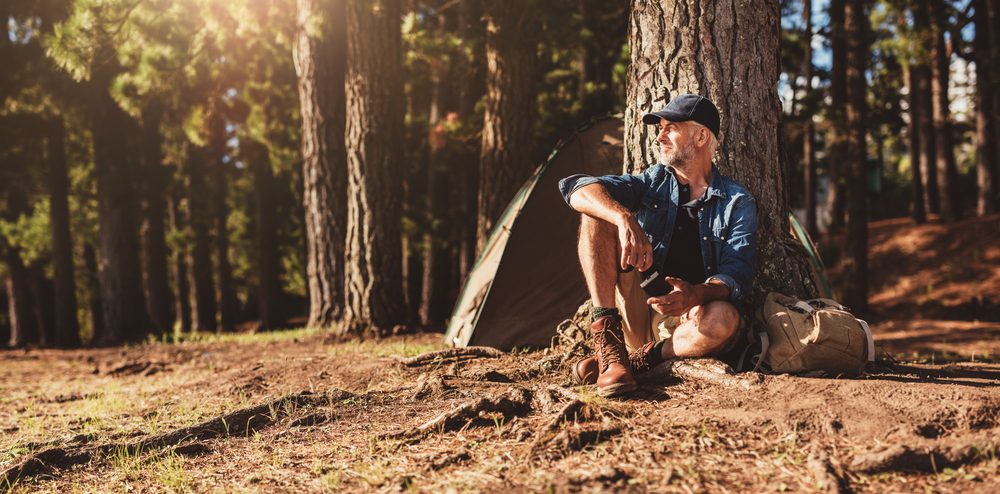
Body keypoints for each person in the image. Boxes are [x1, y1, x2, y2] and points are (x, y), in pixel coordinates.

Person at [558, 94, 758, 396]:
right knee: (596, 211)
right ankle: (609, 344)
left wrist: (696, 295)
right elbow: (576, 187)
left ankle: (635, 361)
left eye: (670, 128)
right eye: (659, 128)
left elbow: (737, 274)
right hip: (637, 307)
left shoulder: (736, 201)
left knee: (725, 319)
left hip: (688, 322)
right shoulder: (653, 182)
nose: (660, 136)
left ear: (701, 136)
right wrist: (623, 216)